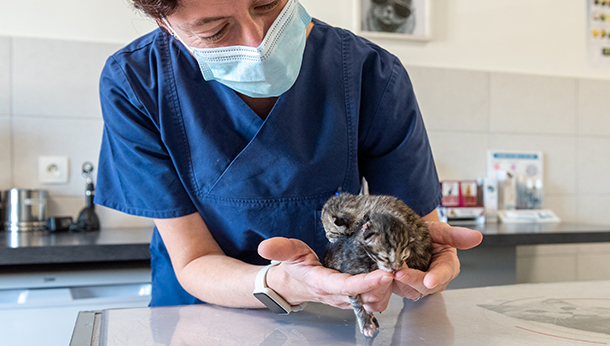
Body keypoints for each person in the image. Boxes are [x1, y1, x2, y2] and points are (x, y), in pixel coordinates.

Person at [95, 0, 483, 314]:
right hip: (200, 314)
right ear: (165, 23)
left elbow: (413, 225)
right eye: (214, 31)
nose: (257, 41)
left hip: (339, 309)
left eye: (267, 4)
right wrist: (279, 283)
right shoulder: (137, 82)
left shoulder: (369, 73)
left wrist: (422, 262)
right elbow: (193, 260)